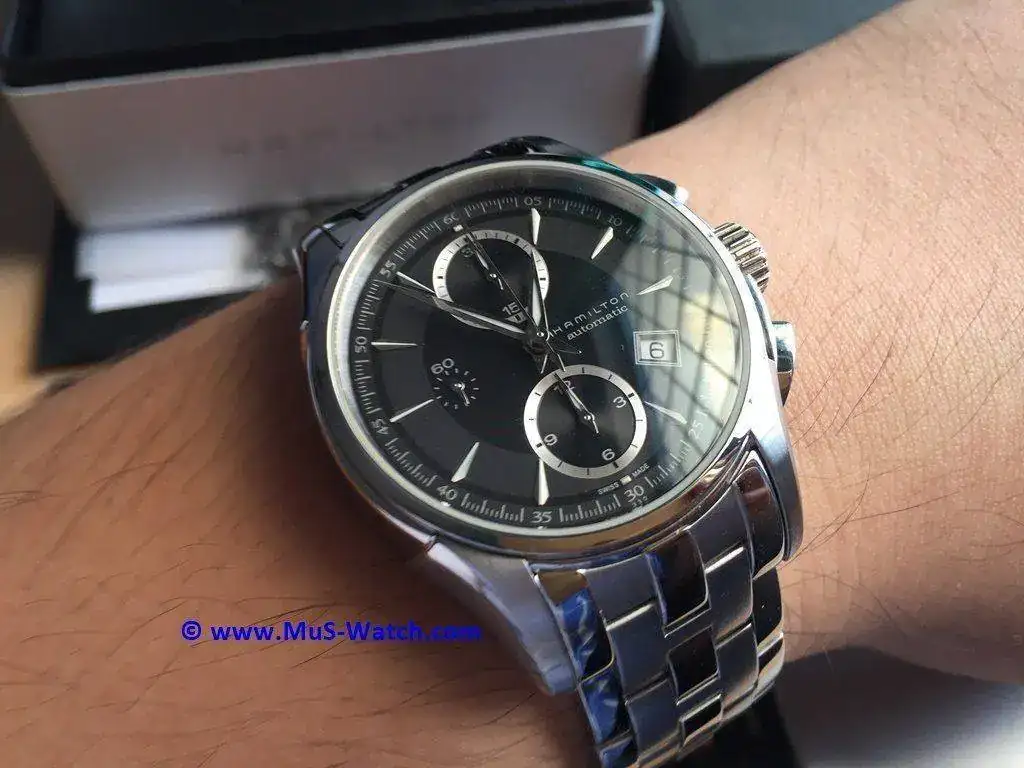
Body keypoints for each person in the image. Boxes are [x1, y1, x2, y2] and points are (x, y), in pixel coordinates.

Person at [0, 0, 1021, 764]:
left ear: (754, 308)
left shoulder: (727, 367)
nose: (533, 336)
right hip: (526, 524)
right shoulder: (411, 443)